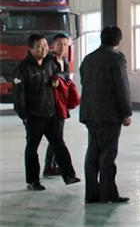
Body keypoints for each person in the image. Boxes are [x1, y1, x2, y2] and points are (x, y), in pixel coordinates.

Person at [12, 33, 80, 191]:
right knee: (32, 148)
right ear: (30, 49)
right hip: (34, 116)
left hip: (51, 114)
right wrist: (24, 115)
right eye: (39, 47)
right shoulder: (22, 68)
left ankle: (69, 175)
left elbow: (61, 74)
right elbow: (18, 95)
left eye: (45, 46)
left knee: (59, 145)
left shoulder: (50, 62)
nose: (43, 49)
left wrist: (56, 77)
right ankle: (33, 181)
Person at [79, 25, 132, 204]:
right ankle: (108, 195)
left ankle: (91, 194)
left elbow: (83, 80)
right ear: (118, 41)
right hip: (109, 114)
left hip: (90, 113)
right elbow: (122, 86)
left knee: (93, 152)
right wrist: (126, 112)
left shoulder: (88, 58)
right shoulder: (116, 58)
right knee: (108, 154)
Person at [43, 33, 77, 177]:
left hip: (61, 103)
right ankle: (49, 166)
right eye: (59, 44)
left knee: (58, 136)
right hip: (52, 103)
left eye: (65, 44)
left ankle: (53, 165)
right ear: (53, 46)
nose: (62, 47)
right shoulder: (49, 61)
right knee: (56, 136)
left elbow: (66, 80)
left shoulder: (64, 61)